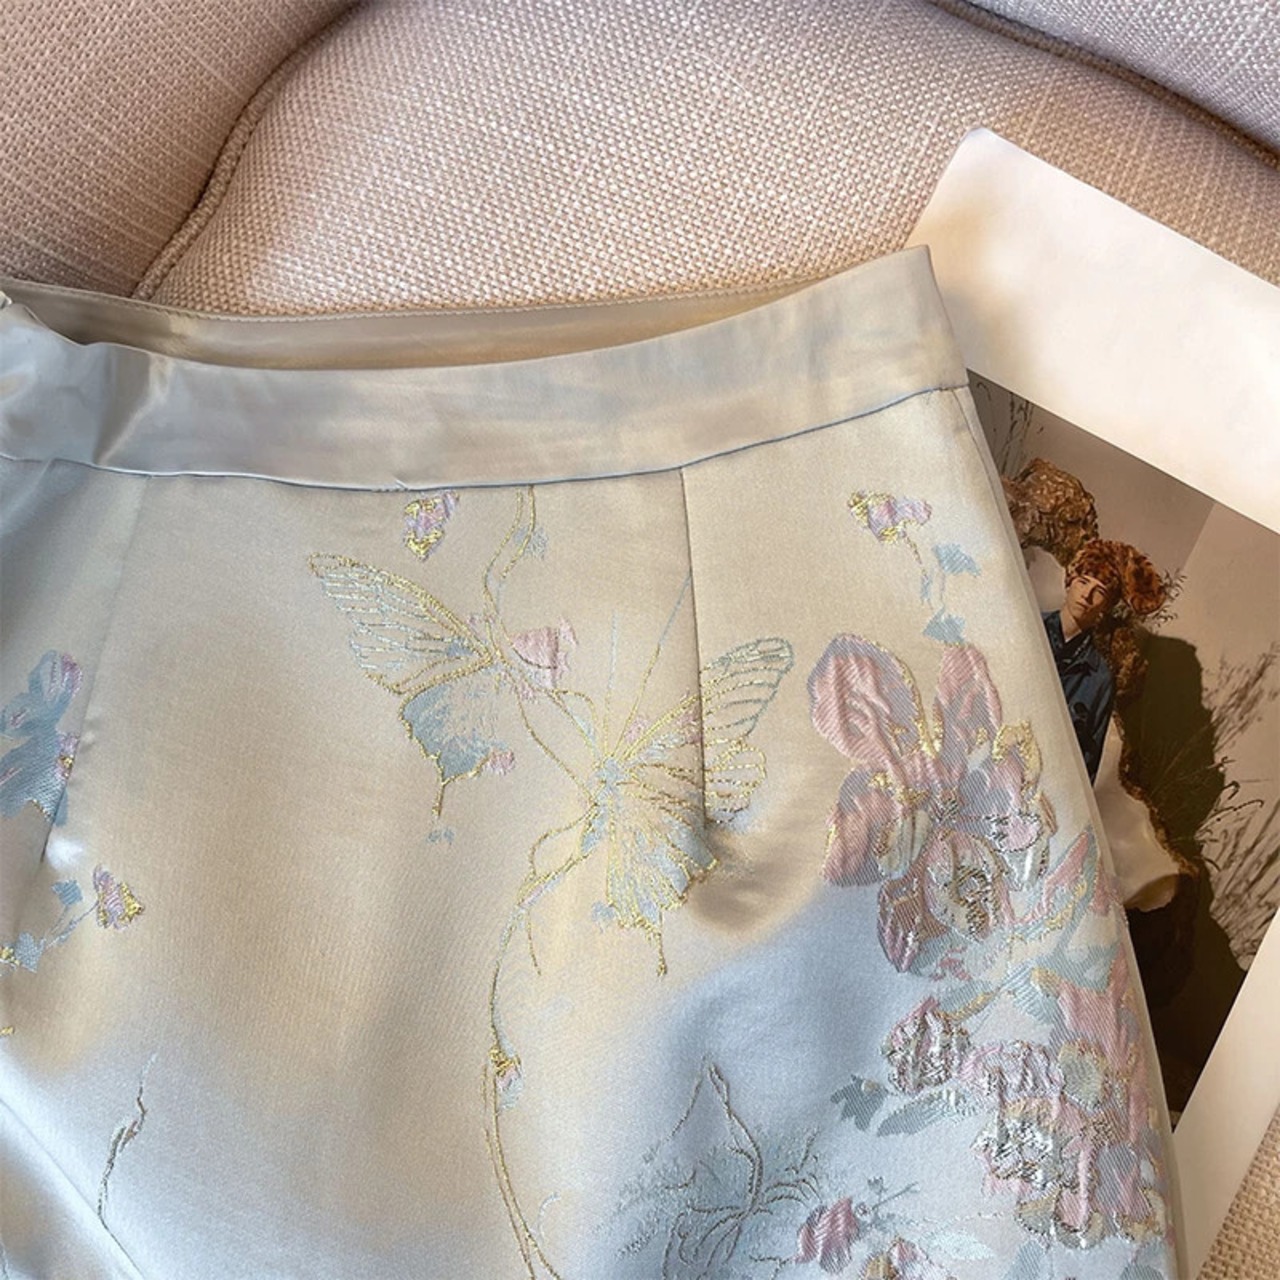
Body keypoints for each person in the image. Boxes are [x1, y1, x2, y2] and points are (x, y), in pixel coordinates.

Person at [1042, 539, 1163, 782]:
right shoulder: (1025, 624)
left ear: (1107, 605)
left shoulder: (1098, 679)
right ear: (1069, 582)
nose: (1087, 595)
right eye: (1083, 581)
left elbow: (1085, 765)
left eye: (1100, 591)